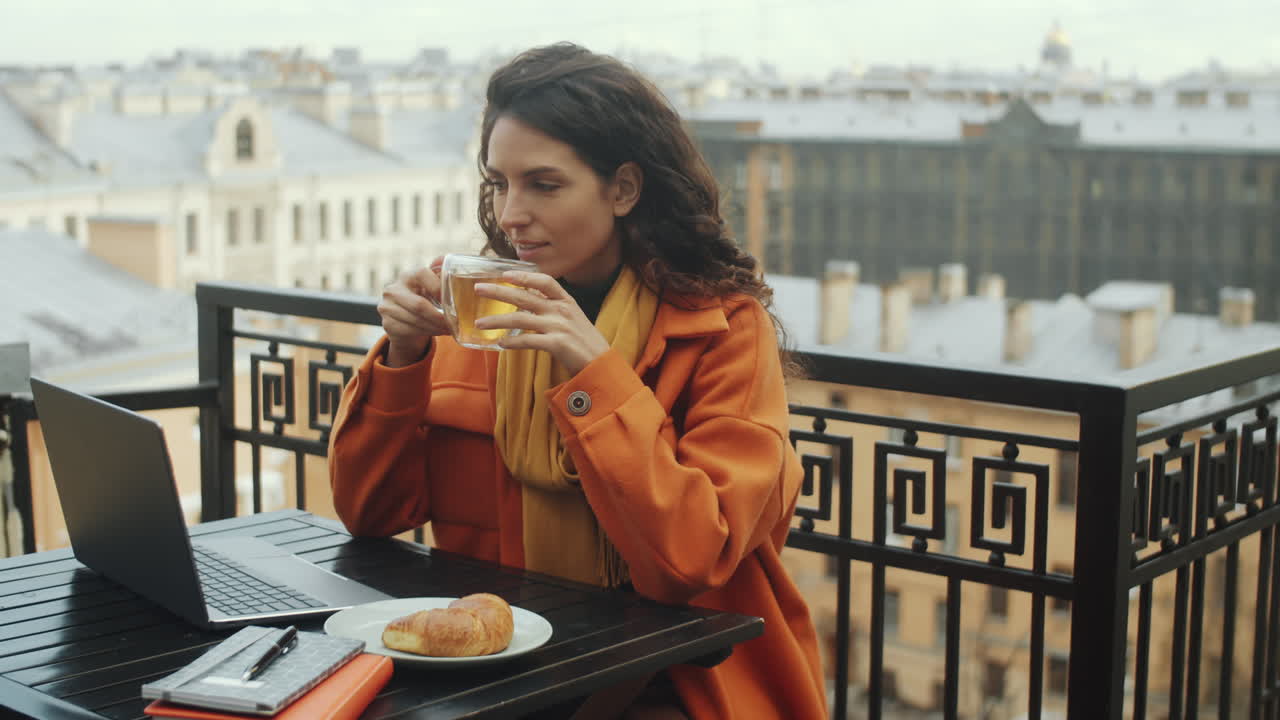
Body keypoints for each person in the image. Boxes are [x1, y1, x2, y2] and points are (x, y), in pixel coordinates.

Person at [329, 42, 827, 720]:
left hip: (673, 682)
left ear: (623, 188)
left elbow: (690, 563)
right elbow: (370, 514)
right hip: (501, 672)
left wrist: (594, 375)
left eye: (544, 184)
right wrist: (403, 355)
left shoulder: (723, 330)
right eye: (499, 183)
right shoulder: (485, 312)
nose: (509, 215)